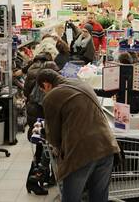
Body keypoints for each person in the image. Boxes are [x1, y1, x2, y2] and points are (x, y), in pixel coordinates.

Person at [37, 69, 119, 202]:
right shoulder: (82, 84)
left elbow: (53, 136)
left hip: (81, 154)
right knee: (99, 198)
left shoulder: (51, 97)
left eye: (42, 90)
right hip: (107, 146)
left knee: (71, 198)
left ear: (46, 85)